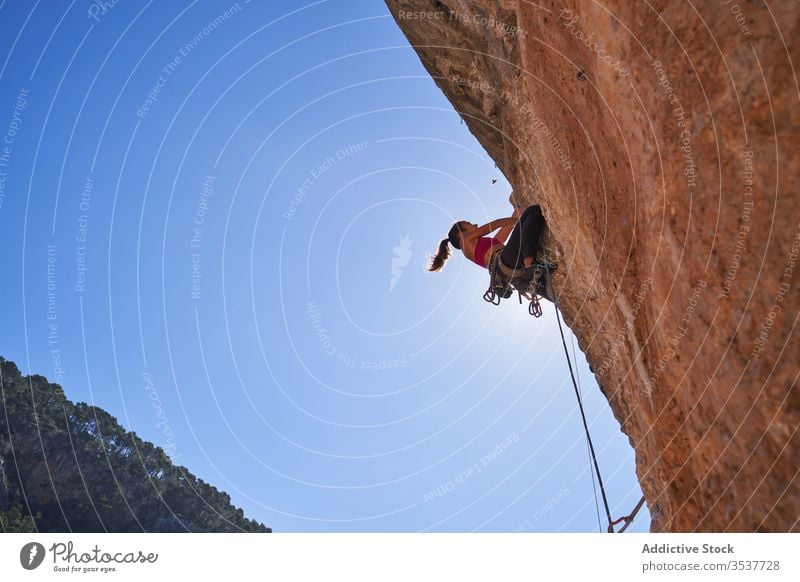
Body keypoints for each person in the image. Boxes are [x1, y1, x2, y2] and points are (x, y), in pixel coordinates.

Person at [428, 204, 547, 274]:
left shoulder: (486, 245)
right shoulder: (465, 241)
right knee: (534, 210)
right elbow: (496, 224)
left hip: (507, 267)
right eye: (469, 224)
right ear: (460, 234)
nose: (475, 225)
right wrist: (522, 220)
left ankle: (529, 269)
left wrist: (515, 215)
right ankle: (529, 263)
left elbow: (504, 232)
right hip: (506, 261)